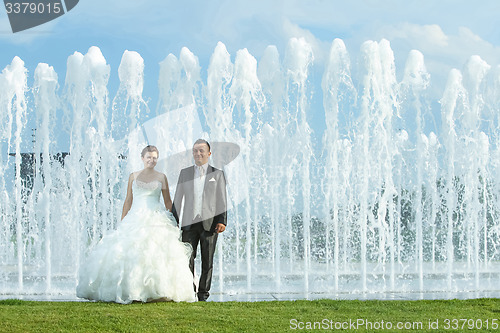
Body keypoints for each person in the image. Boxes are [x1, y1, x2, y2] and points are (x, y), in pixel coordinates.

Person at [77, 145, 196, 304]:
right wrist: (123, 220)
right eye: (149, 157)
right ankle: (131, 289)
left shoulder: (162, 177)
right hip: (135, 216)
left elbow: (168, 201)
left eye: (154, 157)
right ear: (142, 158)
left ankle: (159, 290)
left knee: (156, 252)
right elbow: (128, 201)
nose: (151, 160)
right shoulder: (133, 176)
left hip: (156, 217)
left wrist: (173, 220)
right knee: (129, 252)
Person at [172, 139, 227, 302]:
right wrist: (173, 221)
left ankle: (203, 294)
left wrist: (222, 221)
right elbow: (177, 199)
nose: (198, 153)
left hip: (210, 224)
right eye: (195, 151)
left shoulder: (217, 174)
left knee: (207, 260)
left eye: (202, 151)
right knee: (187, 259)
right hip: (189, 224)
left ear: (209, 154)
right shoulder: (185, 173)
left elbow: (222, 200)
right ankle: (190, 290)